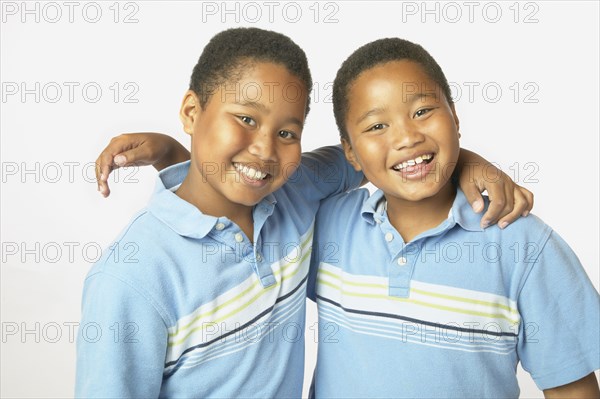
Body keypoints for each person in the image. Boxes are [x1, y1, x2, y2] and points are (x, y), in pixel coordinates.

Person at [87, 30, 533, 398]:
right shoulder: (131, 278)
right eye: (245, 118)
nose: (265, 149)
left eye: (287, 131)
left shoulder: (294, 189)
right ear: (191, 111)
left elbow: (389, 155)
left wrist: (470, 161)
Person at [306, 38, 600, 398]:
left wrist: (461, 159)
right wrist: (466, 160)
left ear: (455, 118)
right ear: (349, 151)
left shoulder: (524, 245)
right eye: (377, 126)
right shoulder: (329, 226)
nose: (407, 137)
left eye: (422, 111)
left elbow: (573, 390)